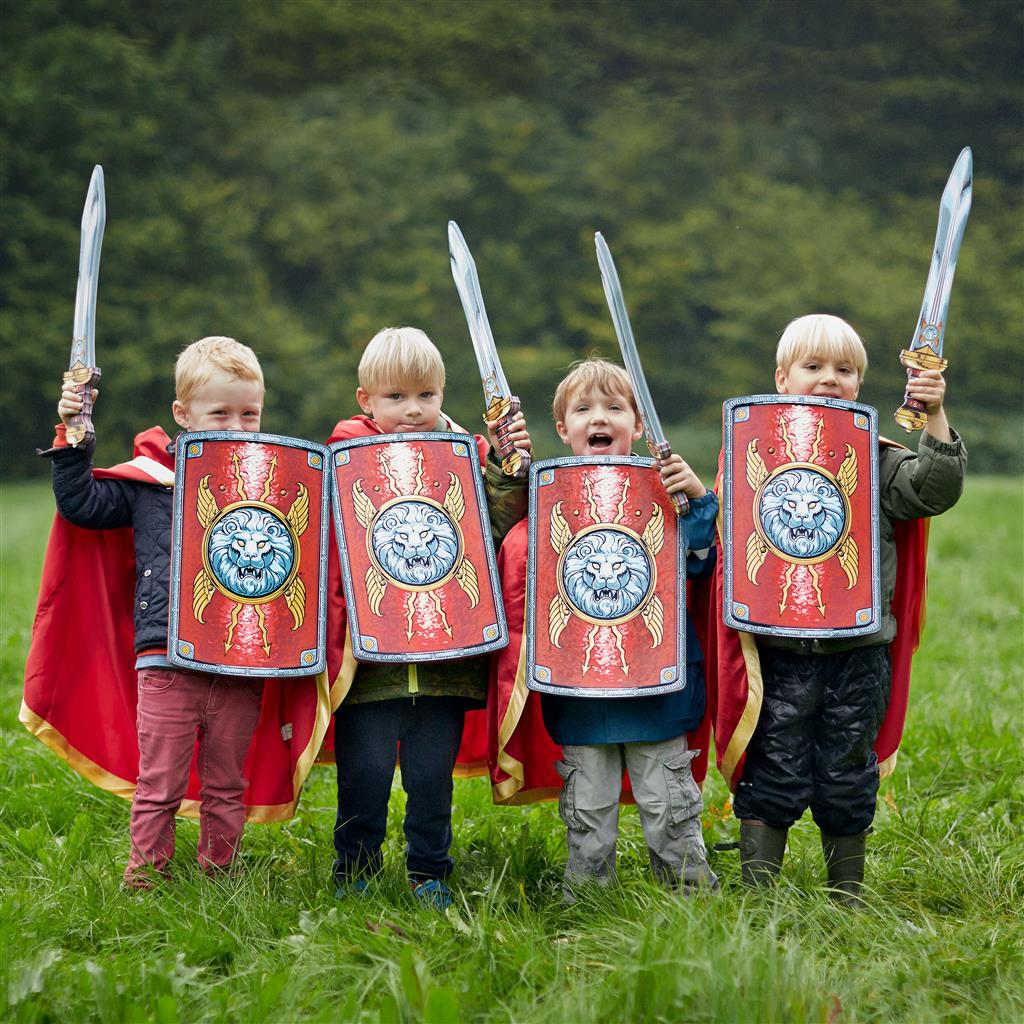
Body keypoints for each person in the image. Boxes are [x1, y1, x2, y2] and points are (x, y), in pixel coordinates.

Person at [24, 336, 330, 888]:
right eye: (221, 413)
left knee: (226, 781)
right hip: (165, 655)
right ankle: (145, 876)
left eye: (249, 414)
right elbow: (82, 505)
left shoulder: (275, 485)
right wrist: (73, 440)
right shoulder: (151, 481)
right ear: (182, 415)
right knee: (159, 779)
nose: (237, 427)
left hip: (241, 656)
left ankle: (220, 873)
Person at [710, 313, 966, 905]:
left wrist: (933, 415)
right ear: (782, 378)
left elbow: (934, 488)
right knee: (773, 766)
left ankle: (846, 898)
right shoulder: (752, 454)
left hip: (857, 653)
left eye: (844, 370)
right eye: (814, 367)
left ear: (859, 383)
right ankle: (758, 895)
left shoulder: (877, 460)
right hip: (778, 653)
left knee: (848, 771)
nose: (830, 379)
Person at [490, 357, 719, 899]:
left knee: (668, 804)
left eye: (615, 408)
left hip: (656, 688)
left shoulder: (664, 493)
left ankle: (691, 898)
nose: (601, 417)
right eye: (585, 409)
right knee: (588, 809)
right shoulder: (549, 500)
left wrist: (697, 501)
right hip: (581, 693)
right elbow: (523, 567)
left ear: (638, 425)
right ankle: (588, 900)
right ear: (564, 429)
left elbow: (702, 561)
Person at [325, 326, 531, 909]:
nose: (412, 410)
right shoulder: (343, 458)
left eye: (426, 395)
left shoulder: (467, 455)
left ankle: (430, 872)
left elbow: (492, 531)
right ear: (366, 400)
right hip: (369, 667)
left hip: (444, 662)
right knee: (362, 779)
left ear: (443, 393)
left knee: (429, 783)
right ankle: (355, 871)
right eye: (395, 397)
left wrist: (509, 471)